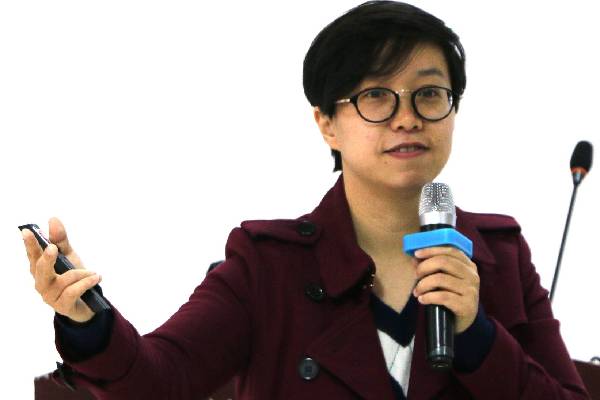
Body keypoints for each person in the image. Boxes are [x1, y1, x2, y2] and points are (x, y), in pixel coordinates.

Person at [21, 1, 589, 399]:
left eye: (429, 93)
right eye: (376, 96)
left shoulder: (499, 257)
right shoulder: (267, 264)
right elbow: (160, 380)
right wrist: (88, 322)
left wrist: (478, 336)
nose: (408, 117)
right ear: (327, 123)